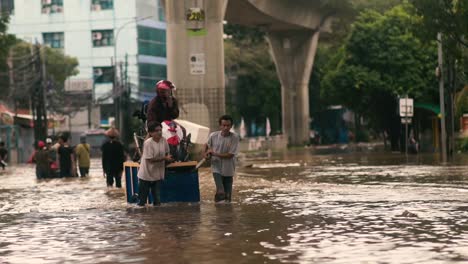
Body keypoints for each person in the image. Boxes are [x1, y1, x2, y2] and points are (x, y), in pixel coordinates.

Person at [204, 115, 240, 202]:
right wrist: (205, 154)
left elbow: (230, 155)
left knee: (228, 198)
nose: (226, 128)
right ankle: (219, 210)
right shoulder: (213, 135)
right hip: (216, 167)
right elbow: (206, 145)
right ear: (220, 126)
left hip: (229, 169)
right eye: (224, 125)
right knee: (220, 191)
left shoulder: (234, 137)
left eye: (228, 125)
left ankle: (223, 213)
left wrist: (214, 153)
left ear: (231, 126)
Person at [137, 122, 172, 206]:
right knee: (142, 202)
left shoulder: (164, 140)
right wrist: (165, 158)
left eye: (160, 130)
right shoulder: (148, 143)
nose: (159, 132)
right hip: (146, 175)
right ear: (151, 133)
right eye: (156, 131)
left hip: (157, 175)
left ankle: (156, 218)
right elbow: (150, 160)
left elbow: (167, 152)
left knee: (157, 202)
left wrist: (169, 158)